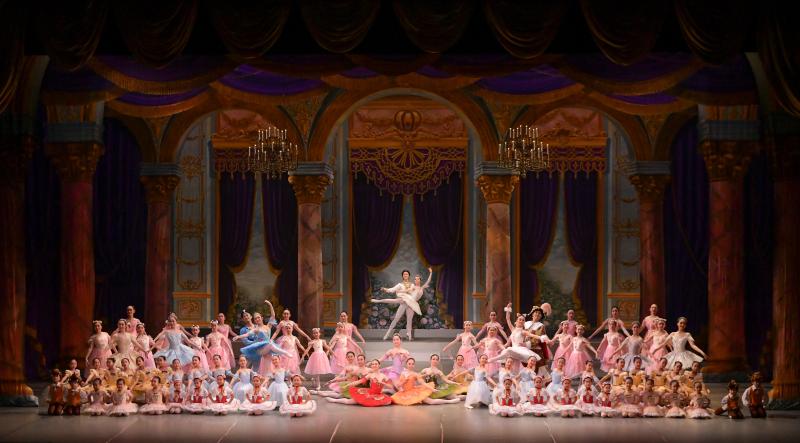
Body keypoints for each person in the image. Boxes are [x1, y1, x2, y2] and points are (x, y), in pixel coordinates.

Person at [373, 268, 433, 341]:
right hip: (406, 301)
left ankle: (409, 336)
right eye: (415, 279)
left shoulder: (419, 287)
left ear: (420, 280)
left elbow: (428, 281)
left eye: (418, 279)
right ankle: (387, 334)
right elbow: (403, 290)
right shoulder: (412, 287)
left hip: (412, 304)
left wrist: (431, 273)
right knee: (396, 317)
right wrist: (394, 291)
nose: (416, 280)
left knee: (409, 321)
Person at [234, 304, 289, 376]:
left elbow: (273, 316)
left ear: (262, 318)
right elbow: (247, 335)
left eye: (258, 318)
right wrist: (238, 336)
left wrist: (270, 305)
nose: (257, 319)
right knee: (253, 365)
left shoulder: (268, 326)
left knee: (266, 368)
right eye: (256, 319)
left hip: (268, 351)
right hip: (260, 349)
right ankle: (241, 377)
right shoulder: (256, 329)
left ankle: (260, 378)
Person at [488, 304, 542, 369]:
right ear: (516, 321)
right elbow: (508, 319)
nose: (521, 321)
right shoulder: (513, 329)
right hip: (513, 350)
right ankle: (495, 360)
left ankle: (493, 359)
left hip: (520, 350)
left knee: (509, 351)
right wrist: (508, 310)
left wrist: (541, 337)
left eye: (523, 320)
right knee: (513, 366)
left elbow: (532, 335)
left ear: (524, 322)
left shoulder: (523, 331)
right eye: (520, 319)